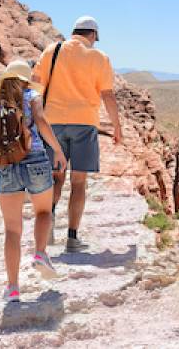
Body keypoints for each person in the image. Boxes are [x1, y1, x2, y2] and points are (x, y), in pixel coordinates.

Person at [0, 59, 67, 303]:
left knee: (12, 229)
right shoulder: (31, 96)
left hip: (5, 165)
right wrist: (57, 150)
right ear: (24, 80)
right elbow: (42, 123)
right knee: (44, 211)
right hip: (35, 159)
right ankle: (40, 253)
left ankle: (13, 288)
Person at [33, 15, 122, 253]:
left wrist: (34, 117)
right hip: (84, 124)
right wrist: (117, 127)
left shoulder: (52, 50)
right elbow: (108, 96)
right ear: (92, 35)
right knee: (79, 182)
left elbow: (35, 85)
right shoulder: (98, 57)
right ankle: (72, 238)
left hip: (53, 125)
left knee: (56, 177)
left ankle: (48, 227)